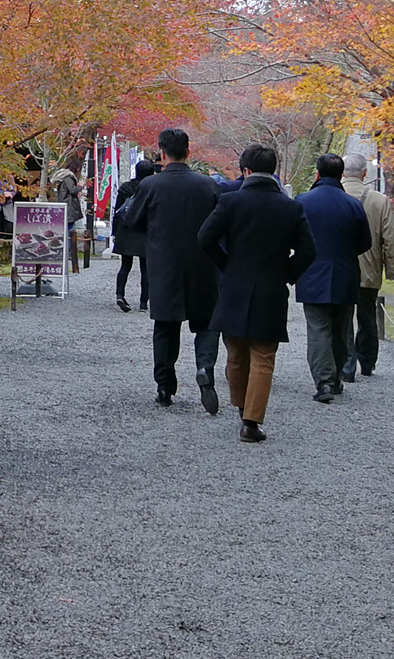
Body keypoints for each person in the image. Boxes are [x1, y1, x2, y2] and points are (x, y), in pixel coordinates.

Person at [196, 143, 317, 443]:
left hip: (235, 284)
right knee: (264, 355)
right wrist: (287, 274)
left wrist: (227, 265)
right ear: (273, 170)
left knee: (235, 352)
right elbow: (308, 250)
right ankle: (251, 421)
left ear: (245, 171)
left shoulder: (230, 202)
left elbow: (205, 238)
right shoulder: (291, 207)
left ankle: (240, 404)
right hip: (271, 287)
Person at [127, 128, 221, 410]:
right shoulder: (208, 185)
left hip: (164, 262)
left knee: (166, 326)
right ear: (188, 152)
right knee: (205, 323)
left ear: (161, 152)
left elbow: (132, 220)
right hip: (203, 263)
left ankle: (165, 386)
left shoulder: (151, 186)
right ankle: (205, 368)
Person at [295, 152, 373, 403]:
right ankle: (337, 376)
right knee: (341, 330)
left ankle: (324, 381)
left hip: (312, 273)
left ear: (317, 174)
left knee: (318, 329)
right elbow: (364, 243)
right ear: (341, 175)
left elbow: (293, 238)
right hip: (345, 272)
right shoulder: (353, 204)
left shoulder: (303, 201)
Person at [340, 152, 394, 379]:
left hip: (341, 269)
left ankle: (347, 365)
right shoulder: (379, 200)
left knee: (343, 318)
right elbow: (390, 238)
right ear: (364, 173)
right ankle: (367, 363)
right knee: (367, 317)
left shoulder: (335, 195)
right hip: (370, 269)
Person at [109, 154, 157, 313]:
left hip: (126, 230)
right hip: (144, 230)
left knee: (125, 265)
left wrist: (114, 232)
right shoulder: (152, 189)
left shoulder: (125, 188)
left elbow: (118, 211)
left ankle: (120, 295)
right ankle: (144, 302)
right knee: (146, 269)